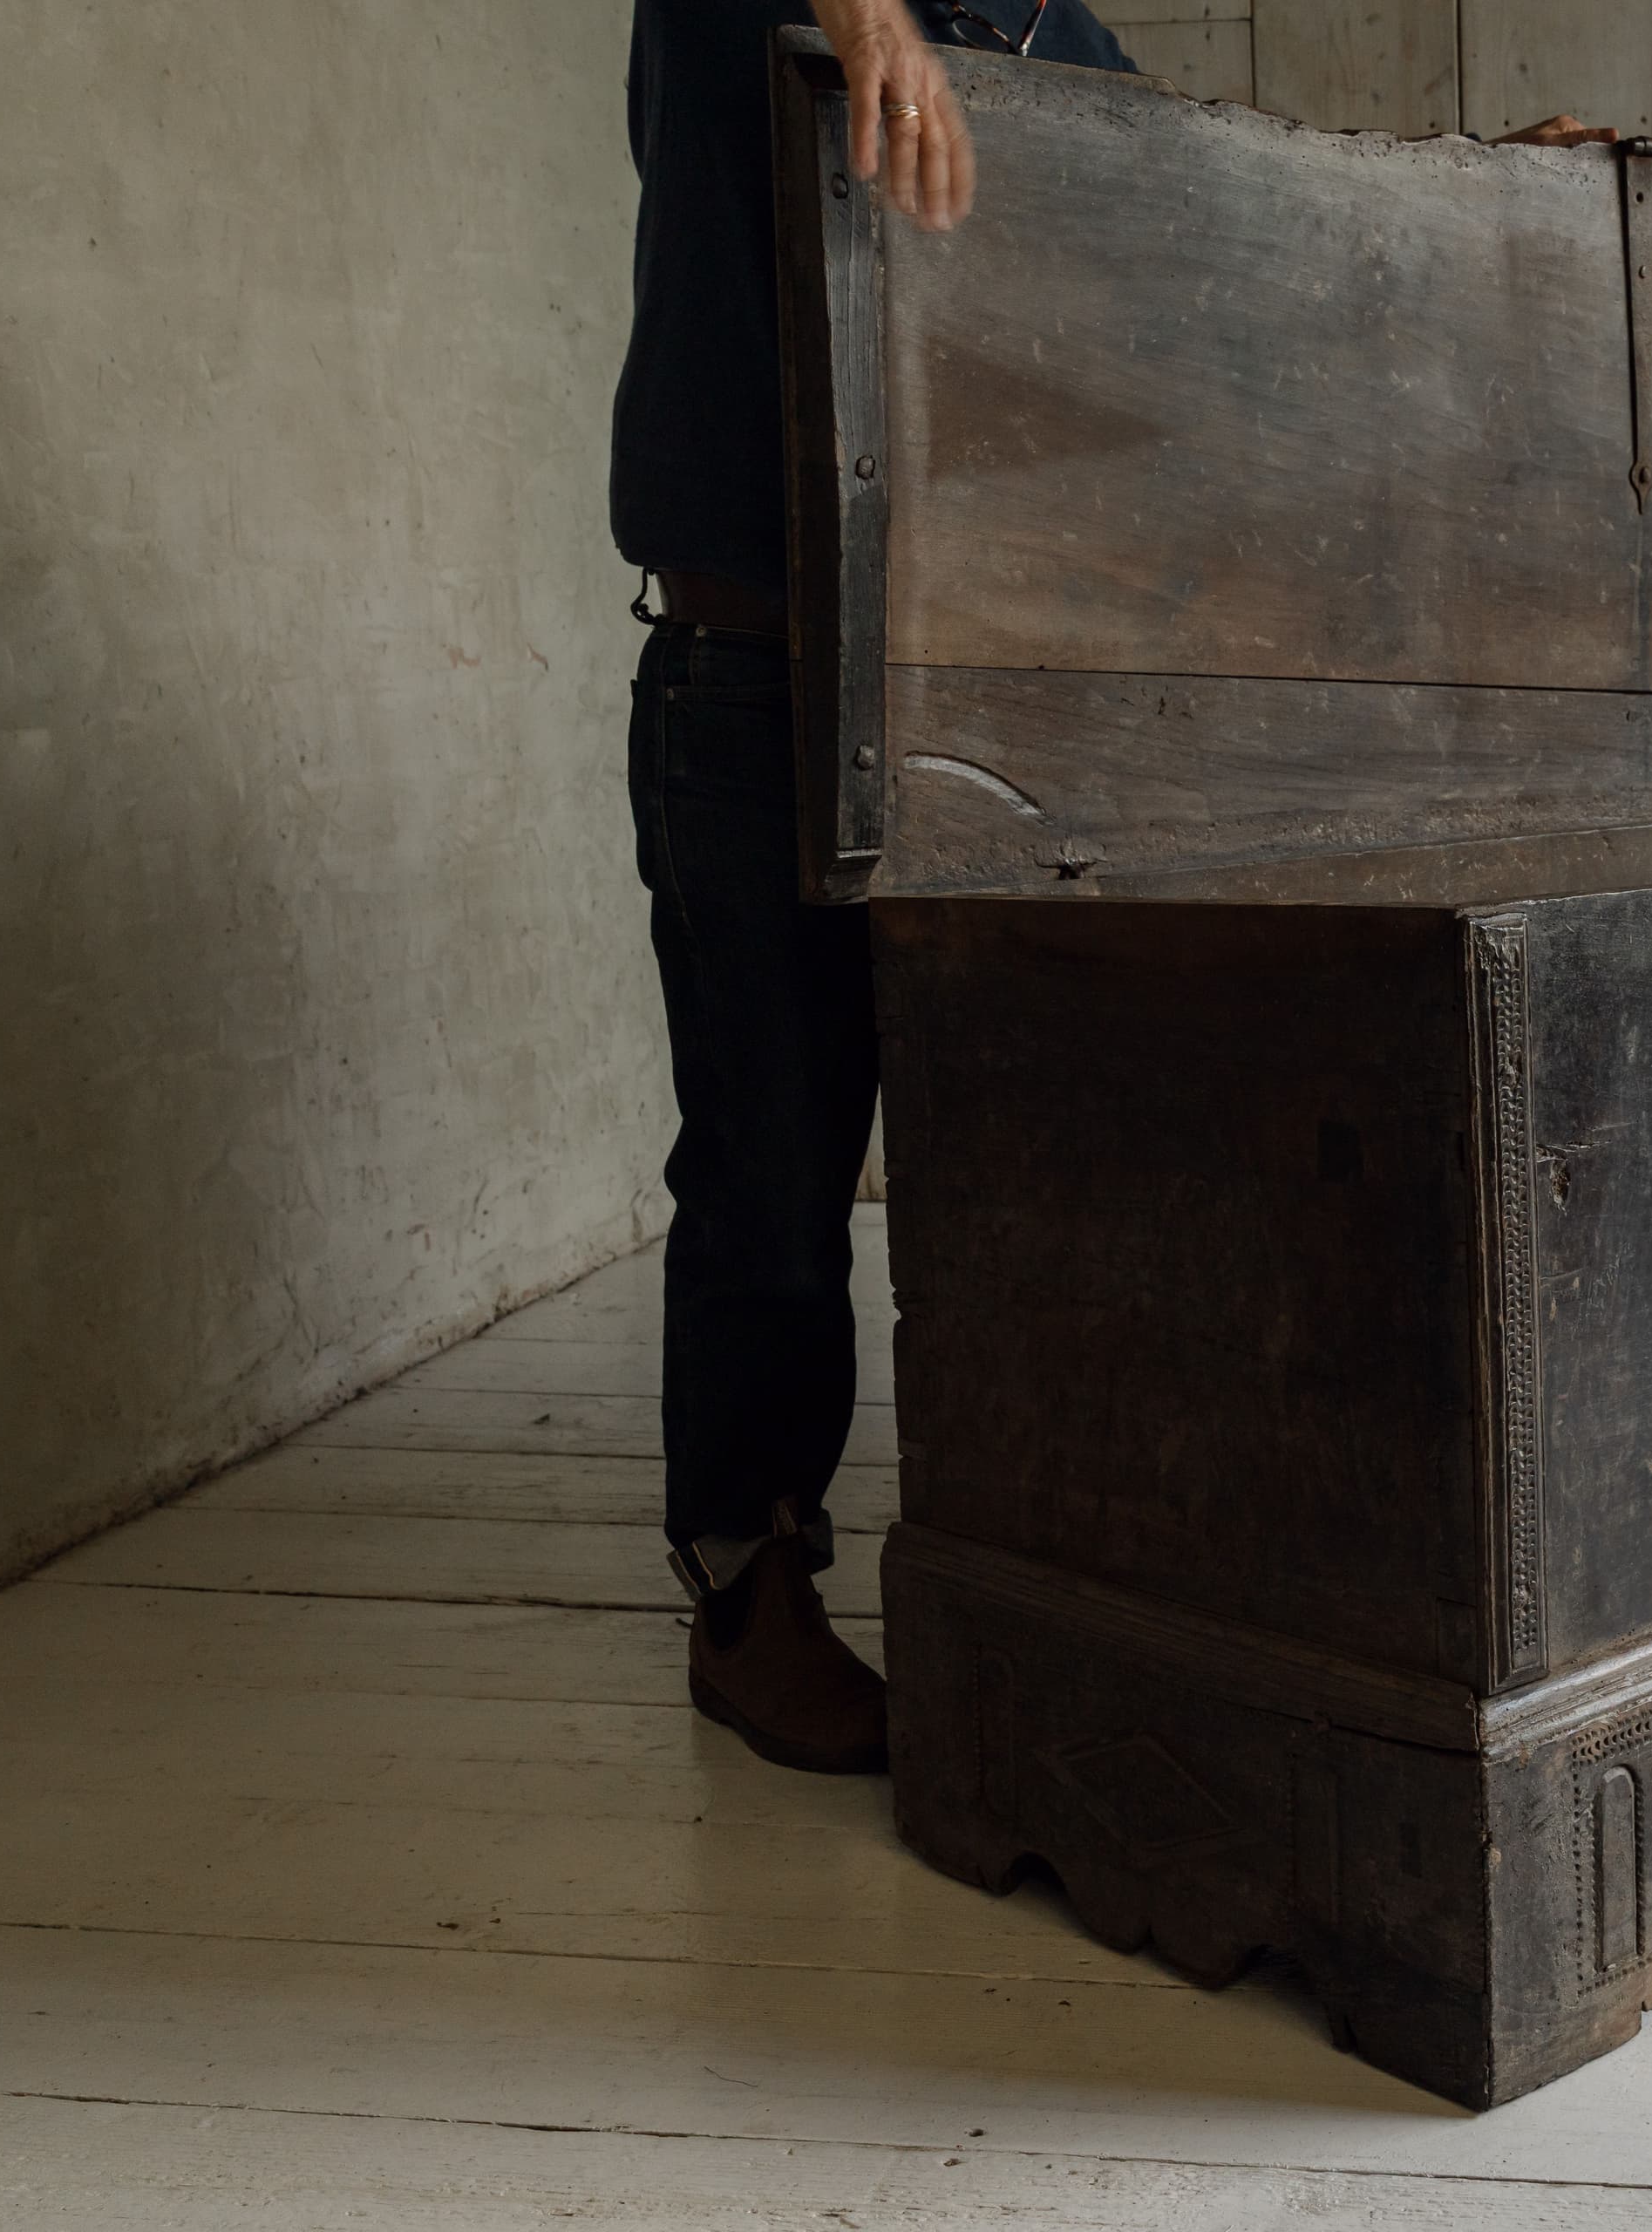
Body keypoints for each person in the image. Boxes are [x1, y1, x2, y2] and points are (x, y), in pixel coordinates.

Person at [613, 0, 1137, 1774]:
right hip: (757, 679)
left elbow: (1194, 202)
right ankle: (748, 1591)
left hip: (983, 690)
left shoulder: (1047, 32)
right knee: (774, 1173)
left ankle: (1048, 1568)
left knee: (1033, 1168)